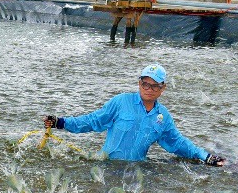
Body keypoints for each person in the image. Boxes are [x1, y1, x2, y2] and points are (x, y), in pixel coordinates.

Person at [44, 64, 226, 166]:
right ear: (139, 83)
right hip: (106, 166)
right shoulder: (121, 102)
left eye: (155, 86)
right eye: (145, 84)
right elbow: (93, 121)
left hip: (138, 169)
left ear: (163, 88)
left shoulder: (163, 116)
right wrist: (60, 122)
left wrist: (206, 157)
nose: (149, 89)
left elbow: (178, 143)